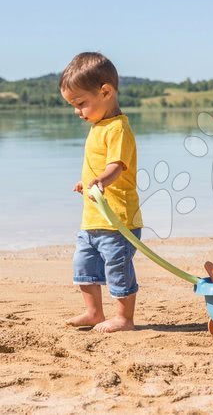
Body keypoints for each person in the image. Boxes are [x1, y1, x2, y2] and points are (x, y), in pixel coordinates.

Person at [59, 52, 143, 333]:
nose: (77, 111)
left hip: (117, 220)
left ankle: (124, 318)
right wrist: (87, 182)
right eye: (73, 105)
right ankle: (94, 312)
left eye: (81, 103)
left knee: (118, 270)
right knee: (83, 267)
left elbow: (116, 166)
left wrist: (101, 180)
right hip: (93, 219)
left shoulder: (118, 128)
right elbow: (96, 166)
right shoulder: (98, 127)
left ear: (105, 91)